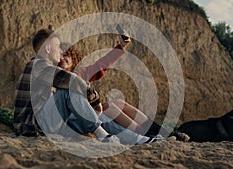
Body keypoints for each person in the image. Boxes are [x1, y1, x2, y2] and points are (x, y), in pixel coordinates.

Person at [13, 26, 161, 144]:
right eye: (57, 47)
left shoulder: (47, 70)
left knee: (101, 116)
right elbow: (73, 81)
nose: (60, 51)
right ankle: (103, 135)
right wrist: (95, 101)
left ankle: (140, 140)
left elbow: (98, 67)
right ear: (47, 49)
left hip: (49, 125)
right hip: (33, 127)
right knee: (69, 92)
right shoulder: (37, 65)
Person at [57, 33, 189, 141]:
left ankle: (165, 132)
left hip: (89, 114)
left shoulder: (80, 73)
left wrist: (121, 46)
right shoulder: (53, 75)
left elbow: (101, 65)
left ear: (73, 57)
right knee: (110, 108)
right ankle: (149, 136)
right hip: (76, 120)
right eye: (59, 56)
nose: (62, 58)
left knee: (118, 103)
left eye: (65, 55)